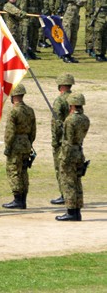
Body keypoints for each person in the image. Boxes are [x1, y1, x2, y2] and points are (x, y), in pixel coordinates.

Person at [56, 92, 90, 221]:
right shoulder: (85, 119)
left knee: (68, 182)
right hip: (79, 152)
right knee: (77, 182)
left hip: (69, 153)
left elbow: (68, 140)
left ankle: (71, 211)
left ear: (72, 105)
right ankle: (77, 211)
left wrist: (64, 158)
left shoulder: (70, 120)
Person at [2, 84, 36, 210]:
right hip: (26, 143)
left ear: (14, 96)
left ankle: (17, 199)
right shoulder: (30, 110)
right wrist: (29, 142)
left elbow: (10, 131)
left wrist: (8, 146)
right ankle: (23, 199)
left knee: (14, 171)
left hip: (15, 144)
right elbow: (33, 131)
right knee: (23, 171)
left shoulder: (13, 111)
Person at [50, 73, 74, 205]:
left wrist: (55, 141)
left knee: (61, 168)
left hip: (62, 141)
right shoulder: (75, 98)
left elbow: (56, 123)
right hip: (73, 140)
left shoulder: (59, 101)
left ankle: (64, 194)